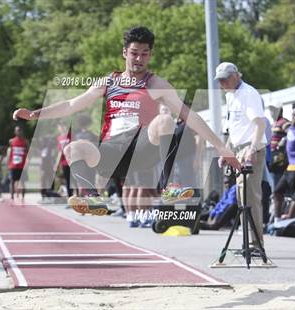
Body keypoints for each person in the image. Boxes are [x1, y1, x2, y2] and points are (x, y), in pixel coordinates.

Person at [13, 26, 240, 216]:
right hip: (112, 151)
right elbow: (72, 104)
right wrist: (36, 114)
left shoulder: (156, 84)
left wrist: (221, 147)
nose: (139, 59)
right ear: (125, 53)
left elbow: (189, 116)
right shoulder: (108, 82)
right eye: (134, 53)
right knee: (74, 147)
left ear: (150, 55)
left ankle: (169, 186)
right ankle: (92, 198)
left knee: (165, 121)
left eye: (144, 53)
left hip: (143, 148)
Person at [216, 62, 267, 249]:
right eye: (220, 80)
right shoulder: (231, 96)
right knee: (241, 197)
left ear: (236, 75)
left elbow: (259, 124)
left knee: (250, 197)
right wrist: (226, 151)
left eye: (225, 79)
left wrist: (252, 149)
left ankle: (255, 244)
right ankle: (248, 242)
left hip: (249, 148)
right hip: (238, 148)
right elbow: (233, 129)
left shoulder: (248, 93)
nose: (222, 83)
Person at [268, 104, 291, 188]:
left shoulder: (283, 122)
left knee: (278, 180)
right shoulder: (274, 124)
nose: (271, 113)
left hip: (280, 156)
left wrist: (283, 140)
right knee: (273, 179)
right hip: (272, 155)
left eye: (273, 111)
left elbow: (291, 133)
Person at [7, 126, 28, 201]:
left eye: (20, 130)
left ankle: (23, 197)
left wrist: (27, 163)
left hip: (22, 165)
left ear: (22, 132)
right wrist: (8, 164)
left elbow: (27, 152)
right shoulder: (11, 141)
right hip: (13, 165)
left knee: (22, 181)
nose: (19, 132)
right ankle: (12, 196)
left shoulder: (25, 141)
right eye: (17, 130)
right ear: (15, 132)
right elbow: (10, 153)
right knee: (12, 181)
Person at [57, 124, 73, 197]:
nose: (61, 128)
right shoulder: (59, 138)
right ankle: (70, 198)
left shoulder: (71, 135)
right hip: (64, 162)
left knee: (75, 180)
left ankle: (79, 197)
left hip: (73, 161)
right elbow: (60, 152)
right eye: (59, 127)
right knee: (67, 180)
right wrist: (57, 164)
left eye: (62, 126)